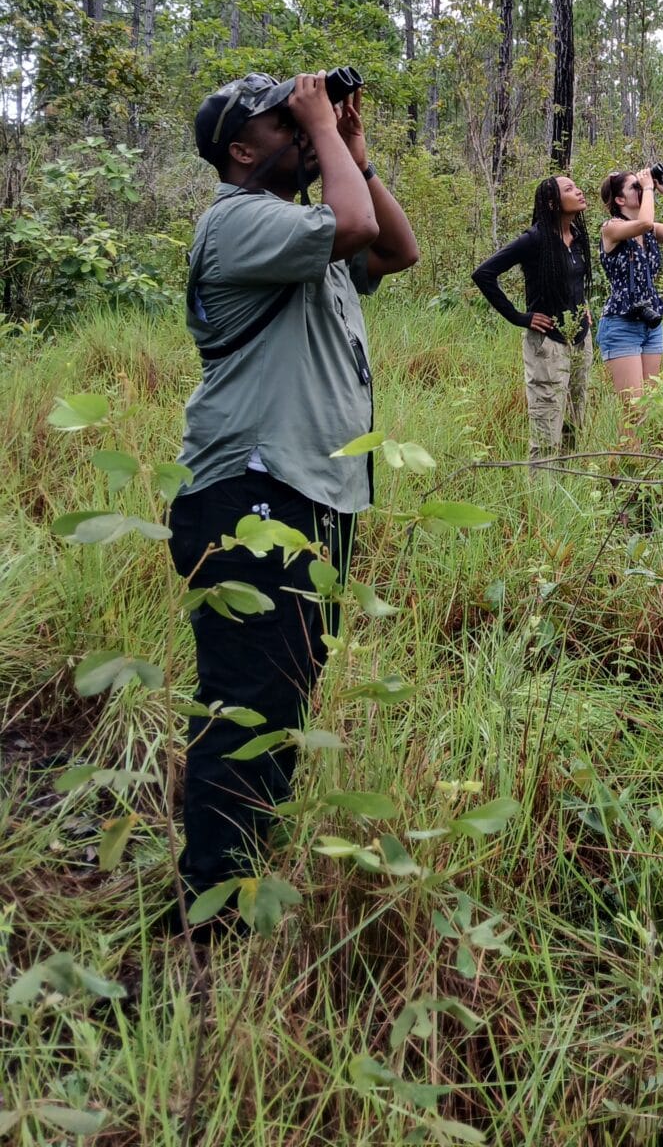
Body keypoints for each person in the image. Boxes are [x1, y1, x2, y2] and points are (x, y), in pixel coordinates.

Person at [169, 71, 419, 919]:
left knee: (284, 689)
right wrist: (321, 125)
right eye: (282, 122)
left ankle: (243, 877)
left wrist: (349, 146)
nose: (301, 128)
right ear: (242, 151)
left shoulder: (302, 234)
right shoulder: (237, 220)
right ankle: (211, 905)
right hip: (250, 486)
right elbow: (352, 224)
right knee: (246, 697)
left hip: (310, 490)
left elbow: (394, 249)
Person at [472, 176, 593, 471]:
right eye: (569, 189)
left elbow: (575, 281)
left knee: (575, 425)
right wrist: (519, 317)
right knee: (545, 433)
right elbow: (484, 274)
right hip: (548, 346)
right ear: (552, 203)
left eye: (576, 187)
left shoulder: (577, 236)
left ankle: (567, 488)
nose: (578, 191)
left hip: (580, 341)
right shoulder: (535, 239)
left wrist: (585, 308)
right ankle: (540, 503)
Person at [596, 166, 663, 433]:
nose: (642, 189)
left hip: (651, 324)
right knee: (634, 411)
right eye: (635, 187)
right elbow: (641, 223)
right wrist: (650, 189)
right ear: (620, 200)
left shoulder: (651, 231)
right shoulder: (611, 228)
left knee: (651, 408)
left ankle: (644, 467)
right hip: (621, 325)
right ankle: (624, 469)